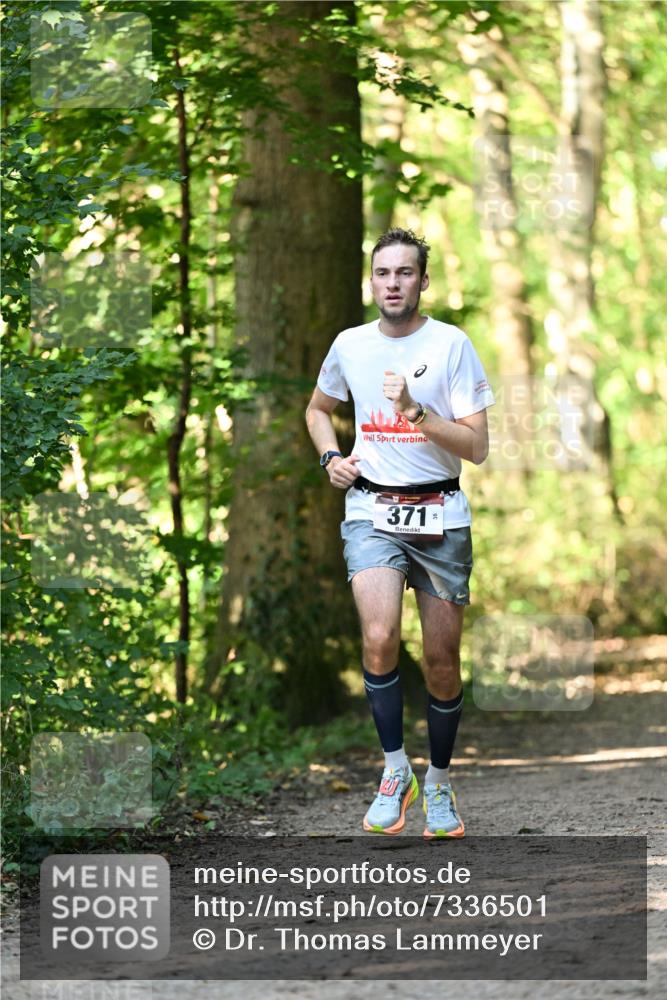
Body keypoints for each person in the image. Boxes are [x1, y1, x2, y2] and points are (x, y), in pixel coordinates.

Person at [305, 228, 495, 839]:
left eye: (405, 273)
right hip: (371, 511)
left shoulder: (451, 345)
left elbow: (478, 446)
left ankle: (438, 782)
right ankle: (395, 771)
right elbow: (316, 410)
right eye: (383, 273)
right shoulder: (350, 345)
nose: (393, 283)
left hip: (440, 512)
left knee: (441, 662)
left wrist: (416, 411)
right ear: (372, 281)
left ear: (422, 281)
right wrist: (330, 457)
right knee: (380, 635)